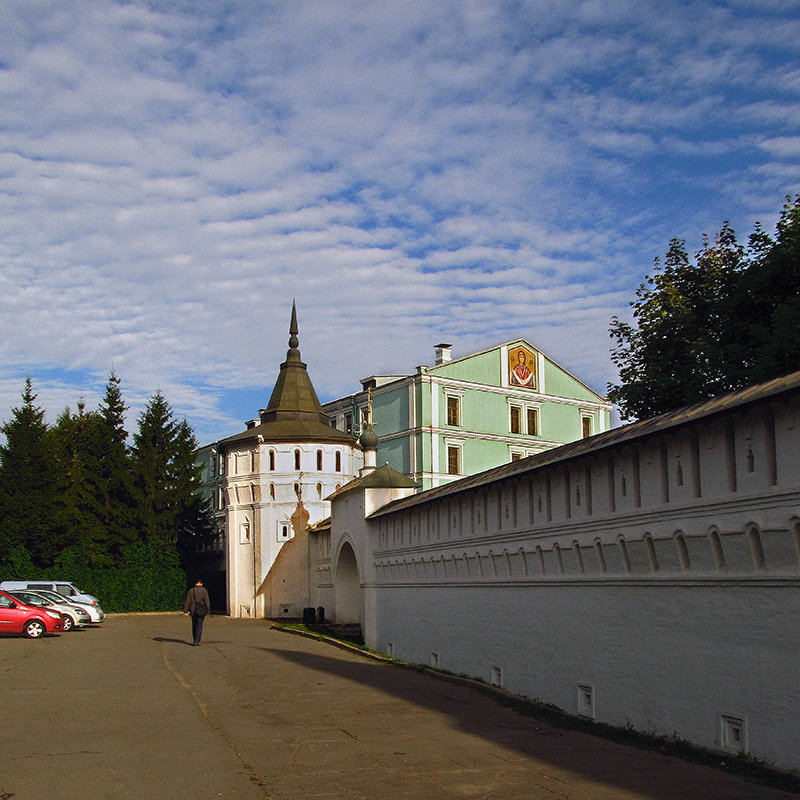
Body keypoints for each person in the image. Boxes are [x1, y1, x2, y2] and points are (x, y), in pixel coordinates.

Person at [183, 579, 211, 646]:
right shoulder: (204, 591)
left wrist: (185, 610)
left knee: (194, 625)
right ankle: (197, 641)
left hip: (193, 610)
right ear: (201, 584)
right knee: (199, 625)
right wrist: (208, 610)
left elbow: (187, 601)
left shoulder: (191, 591)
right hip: (201, 610)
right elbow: (207, 602)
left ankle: (194, 639)